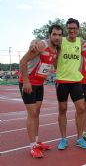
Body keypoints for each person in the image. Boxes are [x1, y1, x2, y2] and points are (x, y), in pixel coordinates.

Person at [19, 24, 63, 158]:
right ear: (49, 34)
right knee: (32, 113)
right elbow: (23, 61)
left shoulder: (56, 50)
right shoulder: (41, 45)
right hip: (28, 83)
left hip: (39, 84)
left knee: (37, 112)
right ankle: (32, 146)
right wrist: (26, 81)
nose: (57, 37)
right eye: (54, 34)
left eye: (60, 35)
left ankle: (36, 141)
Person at [56, 18, 86, 150]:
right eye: (70, 28)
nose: (72, 30)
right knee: (62, 109)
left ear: (78, 29)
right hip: (62, 81)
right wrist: (33, 42)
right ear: (66, 29)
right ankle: (63, 138)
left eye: (74, 28)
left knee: (81, 109)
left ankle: (79, 138)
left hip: (76, 81)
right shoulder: (60, 41)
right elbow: (46, 42)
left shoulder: (80, 41)